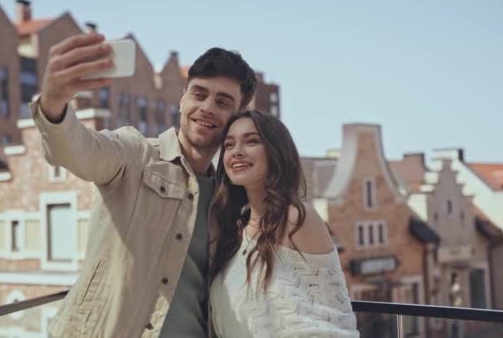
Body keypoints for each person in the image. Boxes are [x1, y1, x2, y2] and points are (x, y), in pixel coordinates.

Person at [31, 32, 257, 337]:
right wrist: (54, 103)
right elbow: (77, 151)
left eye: (223, 101)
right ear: (182, 100)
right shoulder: (135, 154)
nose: (207, 107)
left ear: (237, 116)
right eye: (199, 94)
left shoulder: (230, 199)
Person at [209, 110, 359, 337]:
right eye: (229, 145)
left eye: (251, 141)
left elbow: (335, 318)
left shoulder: (296, 218)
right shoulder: (234, 232)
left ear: (274, 151)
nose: (237, 152)